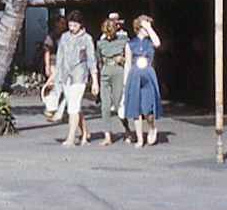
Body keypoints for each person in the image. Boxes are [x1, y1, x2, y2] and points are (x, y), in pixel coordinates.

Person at [53, 11, 99, 147]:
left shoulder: (87, 39)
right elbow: (59, 57)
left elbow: (92, 60)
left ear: (80, 25)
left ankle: (71, 137)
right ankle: (85, 133)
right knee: (75, 107)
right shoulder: (64, 37)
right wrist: (55, 77)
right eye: (70, 25)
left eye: (74, 25)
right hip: (65, 76)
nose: (72, 27)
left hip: (80, 76)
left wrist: (95, 80)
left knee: (73, 106)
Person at [122, 14, 163, 147]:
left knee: (148, 108)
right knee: (135, 108)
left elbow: (158, 43)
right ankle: (140, 138)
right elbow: (128, 63)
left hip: (148, 73)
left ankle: (152, 127)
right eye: (145, 26)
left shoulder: (150, 41)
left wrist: (149, 28)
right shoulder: (130, 44)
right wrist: (125, 81)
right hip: (134, 74)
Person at [97, 13, 129, 146]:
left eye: (111, 32)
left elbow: (129, 58)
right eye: (106, 33)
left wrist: (122, 59)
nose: (109, 36)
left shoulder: (123, 40)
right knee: (105, 106)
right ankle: (107, 135)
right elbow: (99, 60)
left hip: (118, 71)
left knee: (117, 103)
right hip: (105, 71)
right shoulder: (100, 43)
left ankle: (127, 129)